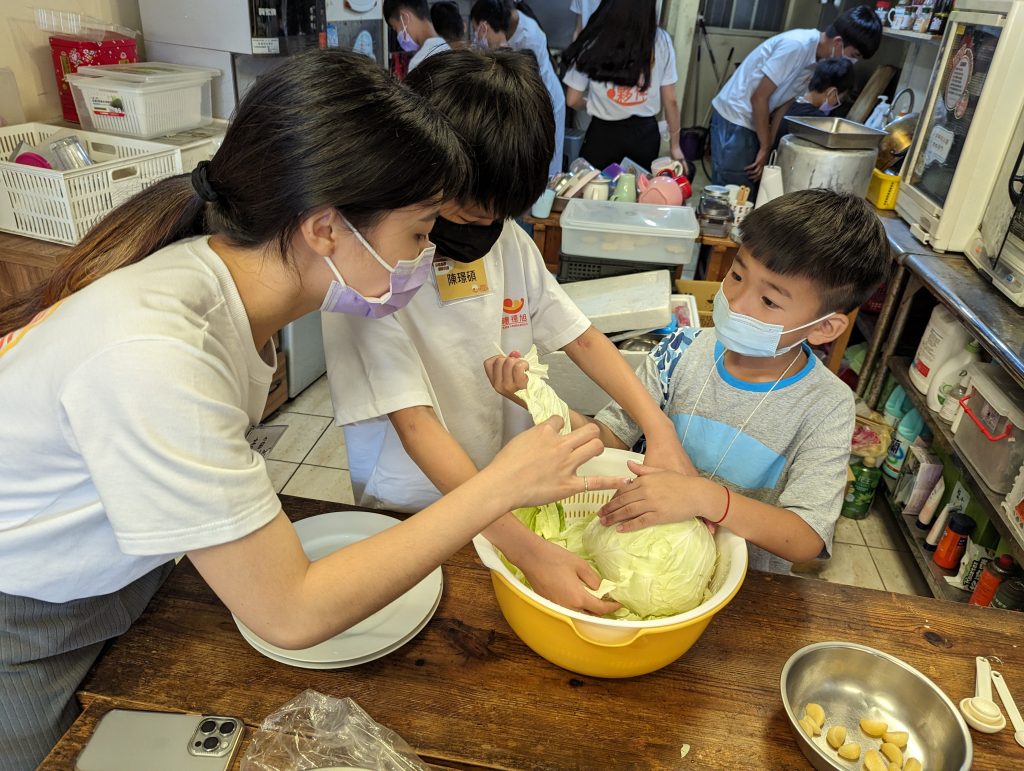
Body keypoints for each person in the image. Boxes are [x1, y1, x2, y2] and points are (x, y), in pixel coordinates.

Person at [0, 50, 619, 770]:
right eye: (420, 233)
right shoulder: (156, 352)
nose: (428, 256)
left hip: (127, 582)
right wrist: (503, 484)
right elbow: (291, 610)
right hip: (26, 618)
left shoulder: (217, 294)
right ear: (327, 228)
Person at [323, 48, 686, 616]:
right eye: (466, 219)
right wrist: (532, 554)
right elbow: (416, 428)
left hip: (502, 494)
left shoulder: (507, 242)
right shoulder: (372, 272)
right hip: (412, 505)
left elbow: (581, 336)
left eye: (499, 218)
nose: (485, 233)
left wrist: (657, 428)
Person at [486, 189, 890, 575]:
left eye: (769, 301)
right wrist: (535, 397)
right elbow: (608, 441)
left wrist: (704, 497)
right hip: (639, 559)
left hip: (744, 582)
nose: (736, 302)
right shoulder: (679, 351)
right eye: (736, 276)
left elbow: (807, 540)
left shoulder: (827, 405)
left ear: (825, 327)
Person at [710, 6, 882, 187]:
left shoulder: (817, 63)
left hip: (754, 120)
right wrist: (764, 145)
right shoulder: (796, 46)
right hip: (736, 118)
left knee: (749, 189)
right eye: (854, 55)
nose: (852, 62)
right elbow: (759, 97)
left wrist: (771, 147)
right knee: (733, 190)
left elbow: (784, 106)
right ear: (838, 42)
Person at [562, 0, 685, 173]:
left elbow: (572, 99)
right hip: (644, 137)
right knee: (636, 192)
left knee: (595, 191)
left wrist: (593, 105)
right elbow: (671, 100)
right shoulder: (661, 40)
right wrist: (675, 146)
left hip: (602, 135)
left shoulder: (593, 38)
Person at [470, 0, 566, 177]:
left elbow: (526, 88)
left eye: (476, 29)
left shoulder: (528, 36)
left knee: (545, 163)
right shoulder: (506, 31)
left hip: (546, 98)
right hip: (529, 100)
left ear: (483, 26)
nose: (476, 36)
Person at [772, 58, 856, 151]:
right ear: (832, 93)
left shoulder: (790, 104)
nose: (837, 103)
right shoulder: (817, 121)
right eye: (840, 98)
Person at [383, 0, 450, 71]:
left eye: (396, 29)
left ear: (404, 18)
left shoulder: (419, 63)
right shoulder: (447, 48)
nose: (398, 36)